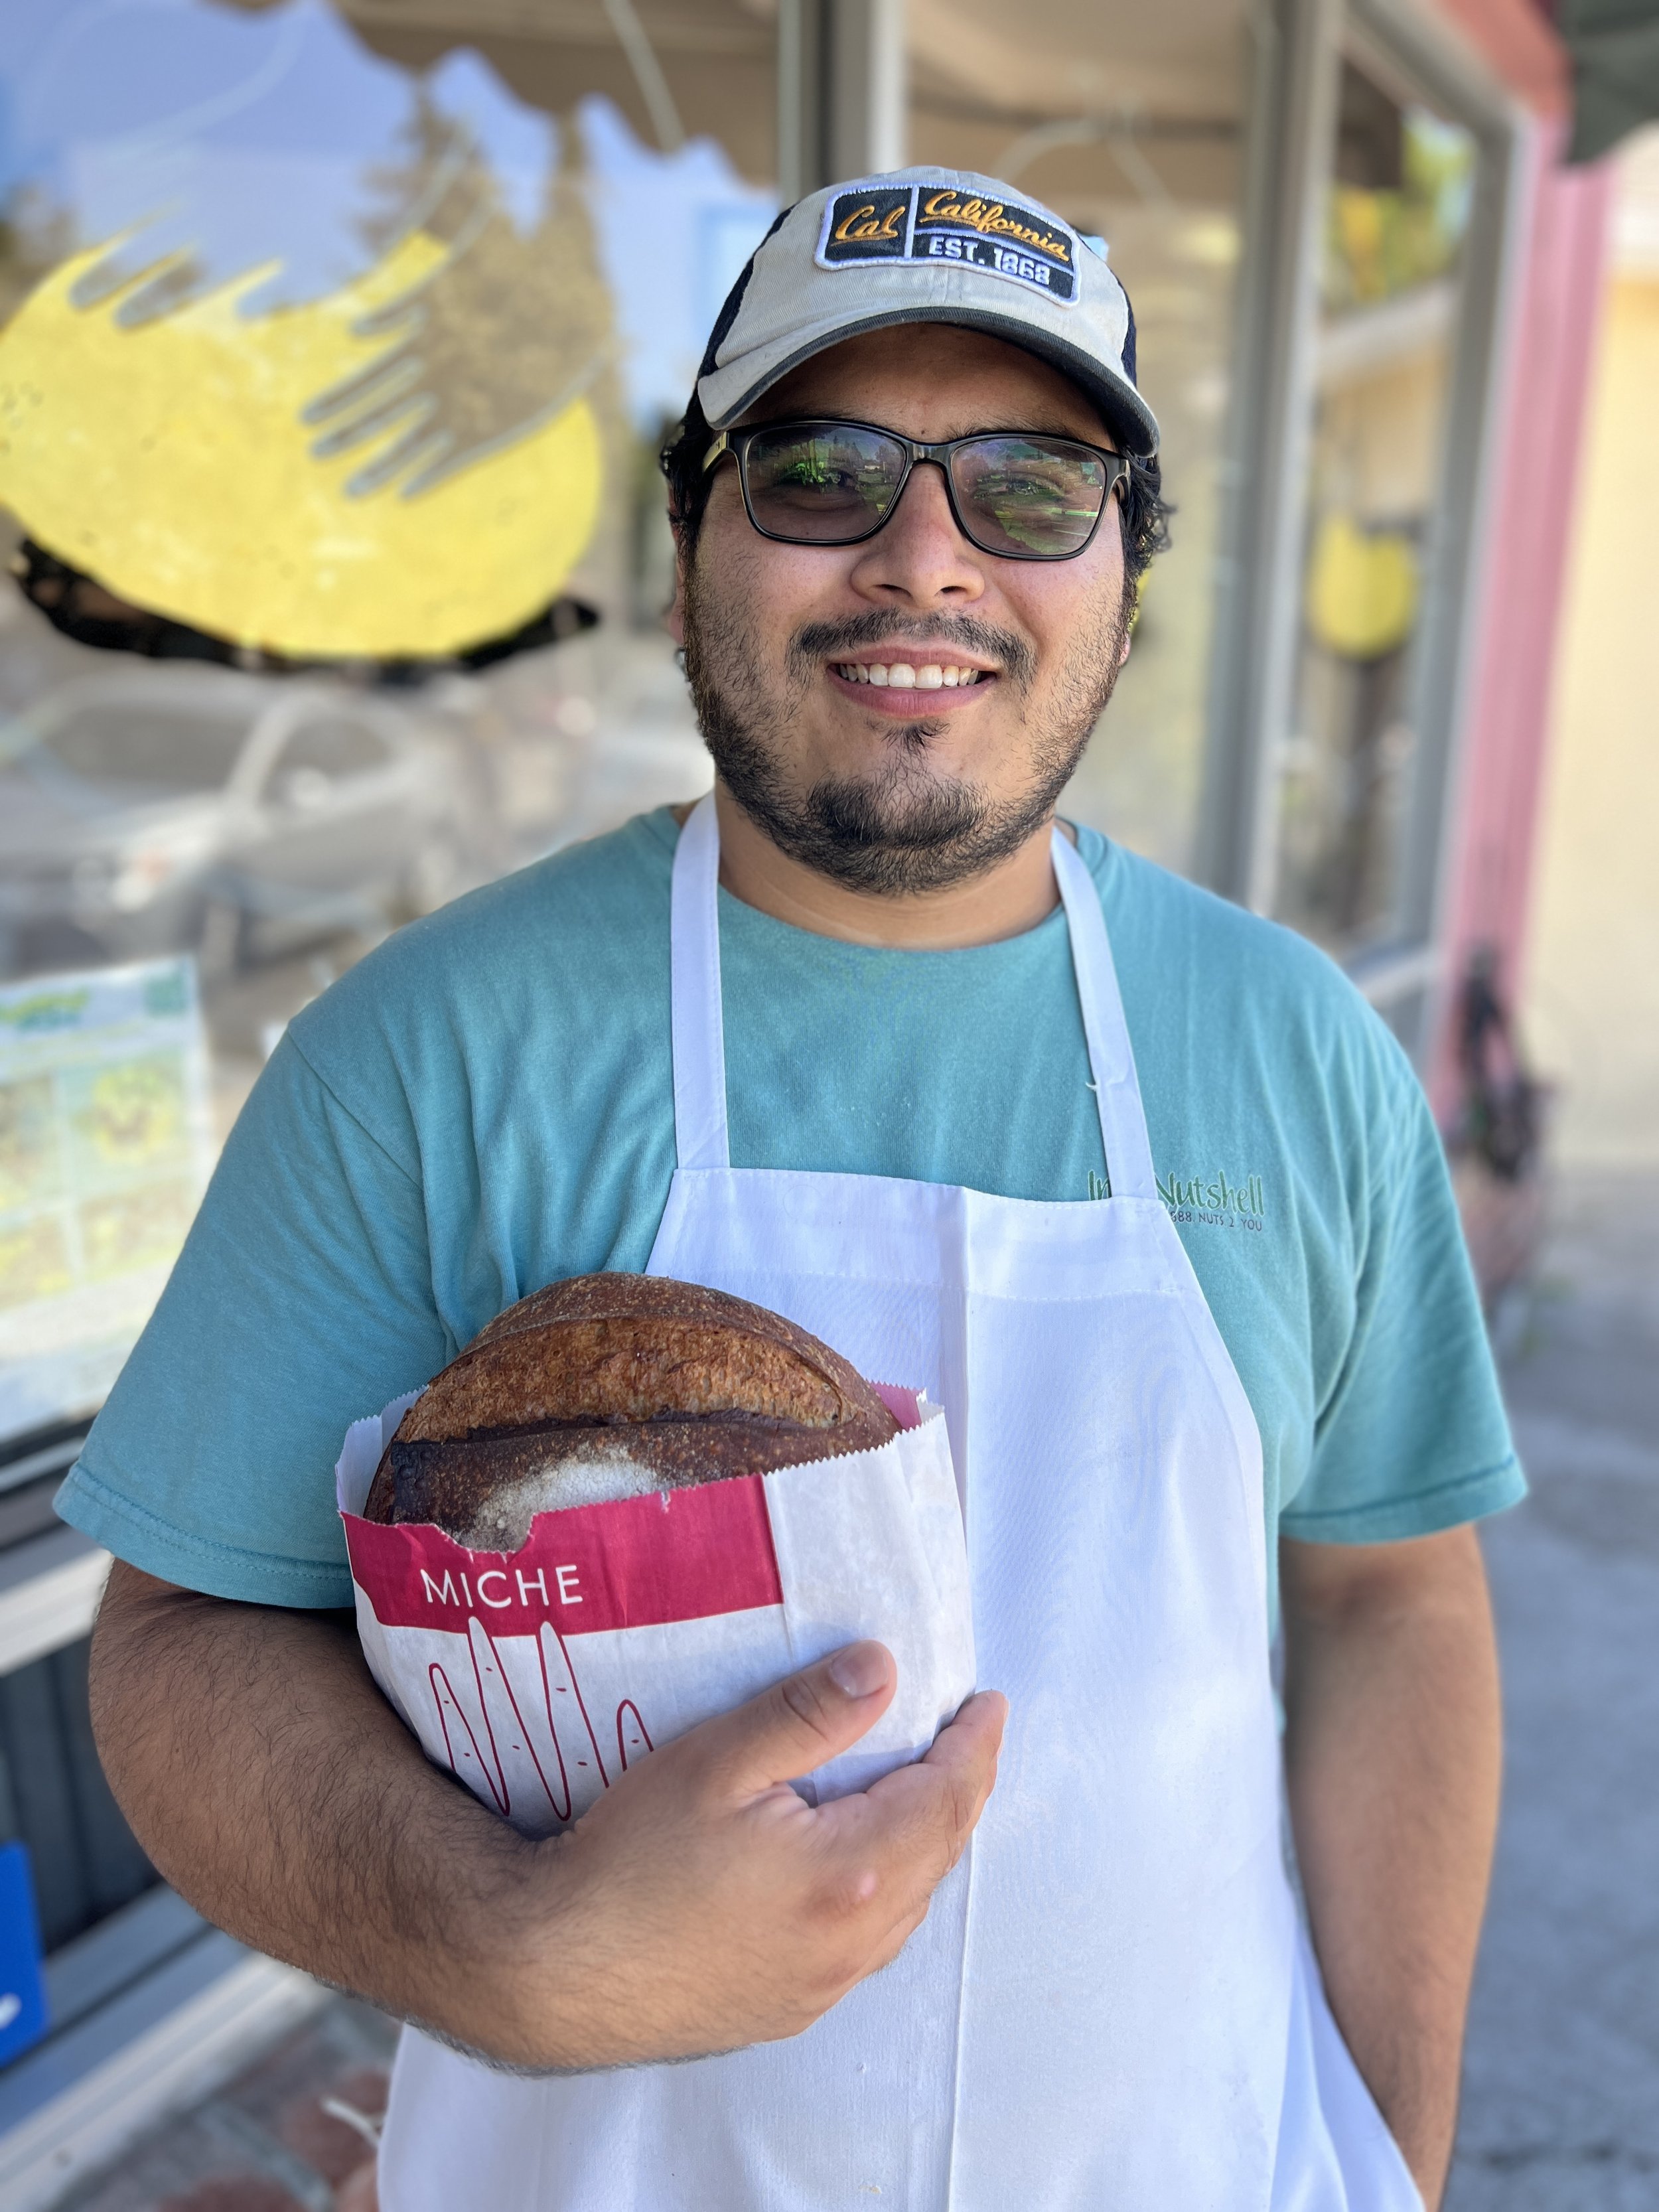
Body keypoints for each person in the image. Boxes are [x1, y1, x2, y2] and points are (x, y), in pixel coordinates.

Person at [66, 169, 1521, 2210]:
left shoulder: (1296, 1054)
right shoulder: (432, 1048)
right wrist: (508, 1946)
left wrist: (1395, 2157)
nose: (921, 558)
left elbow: (1388, 1600)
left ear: (1123, 572)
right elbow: (188, 1637)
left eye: (1028, 486)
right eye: (821, 471)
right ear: (689, 547)